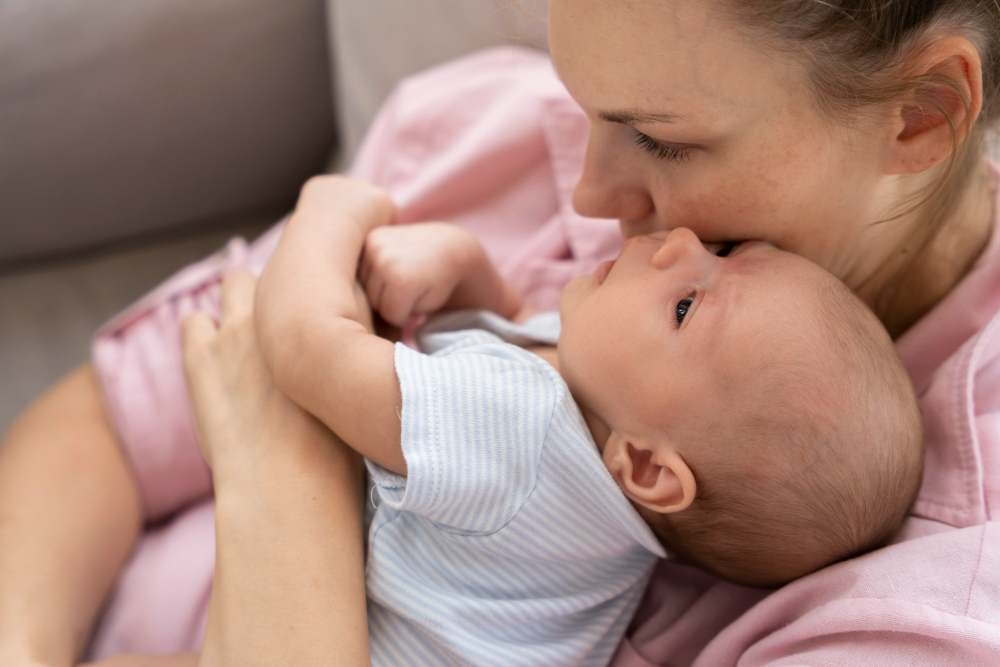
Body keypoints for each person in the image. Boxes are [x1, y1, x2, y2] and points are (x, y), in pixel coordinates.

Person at [0, 0, 998, 664]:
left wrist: (279, 457)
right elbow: (112, 428)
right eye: (584, 104)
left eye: (661, 138)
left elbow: (265, 358)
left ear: (920, 113)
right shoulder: (499, 134)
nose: (588, 191)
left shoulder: (937, 596)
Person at [247, 172, 922, 665]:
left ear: (649, 466)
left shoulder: (525, 430)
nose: (678, 242)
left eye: (685, 306)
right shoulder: (598, 433)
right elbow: (511, 337)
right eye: (721, 252)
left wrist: (326, 208)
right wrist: (466, 265)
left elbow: (307, 348)